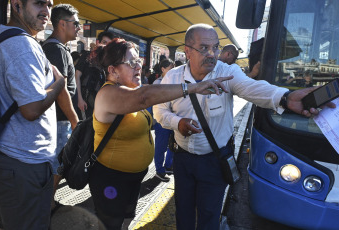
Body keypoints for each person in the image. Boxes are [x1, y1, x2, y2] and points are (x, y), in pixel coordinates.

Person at [153, 23, 334, 229]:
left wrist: (284, 97)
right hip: (183, 159)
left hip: (215, 160)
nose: (212, 54)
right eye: (204, 48)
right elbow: (159, 111)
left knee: (209, 214)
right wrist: (178, 122)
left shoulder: (227, 73)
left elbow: (252, 88)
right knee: (183, 210)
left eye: (216, 47)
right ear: (187, 51)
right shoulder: (173, 77)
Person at [88, 37, 233, 230]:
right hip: (112, 178)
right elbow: (144, 97)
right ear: (112, 70)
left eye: (138, 61)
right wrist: (192, 87)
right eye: (131, 63)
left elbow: (150, 91)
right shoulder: (108, 94)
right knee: (109, 224)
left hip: (131, 177)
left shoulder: (131, 89)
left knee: (125, 220)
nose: (138, 67)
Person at [0, 0, 67, 229]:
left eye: (49, 4)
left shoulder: (2, 36)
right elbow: (31, 109)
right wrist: (59, 83)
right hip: (23, 162)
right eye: (38, 3)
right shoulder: (21, 45)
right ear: (16, 5)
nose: (46, 10)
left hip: (11, 158)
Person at [42, 3, 80, 211]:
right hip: (59, 120)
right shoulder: (56, 50)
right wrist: (74, 120)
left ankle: (47, 201)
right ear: (62, 24)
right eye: (76, 24)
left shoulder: (54, 48)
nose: (79, 28)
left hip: (54, 118)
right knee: (58, 163)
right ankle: (46, 204)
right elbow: (61, 89)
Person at [75, 31, 115, 119]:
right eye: (104, 42)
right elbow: (77, 76)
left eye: (109, 44)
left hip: (100, 104)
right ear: (98, 42)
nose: (105, 46)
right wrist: (79, 99)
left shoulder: (108, 62)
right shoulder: (87, 55)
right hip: (85, 102)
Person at [152, 58, 175, 181]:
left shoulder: (173, 82)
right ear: (163, 69)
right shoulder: (158, 83)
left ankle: (168, 166)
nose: (173, 71)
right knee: (161, 146)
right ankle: (159, 171)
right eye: (170, 69)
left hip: (173, 118)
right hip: (161, 121)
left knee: (172, 144)